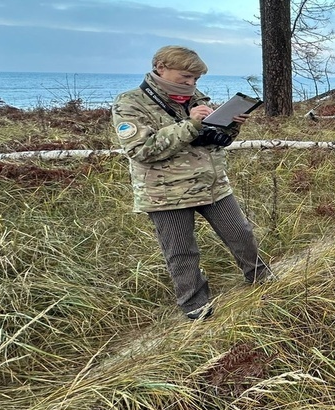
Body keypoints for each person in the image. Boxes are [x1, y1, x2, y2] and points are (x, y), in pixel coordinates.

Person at [112, 46, 271, 321]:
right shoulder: (130, 102)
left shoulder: (196, 98)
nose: (191, 84)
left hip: (212, 185)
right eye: (186, 76)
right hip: (166, 193)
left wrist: (232, 125)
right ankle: (196, 308)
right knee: (181, 252)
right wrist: (191, 124)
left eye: (195, 79)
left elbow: (214, 140)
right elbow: (142, 150)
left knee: (241, 233)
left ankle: (262, 280)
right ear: (160, 66)